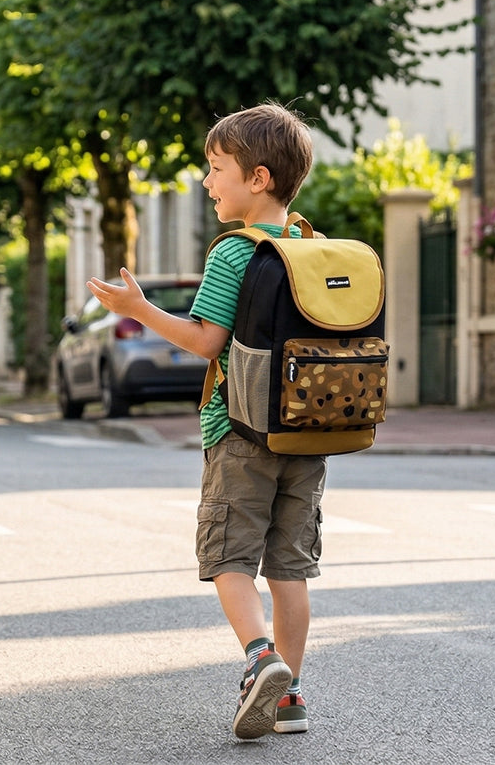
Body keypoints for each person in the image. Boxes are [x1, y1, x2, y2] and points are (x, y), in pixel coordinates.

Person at [86, 103, 321, 739]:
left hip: (241, 431)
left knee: (229, 558)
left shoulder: (233, 253)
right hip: (308, 432)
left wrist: (139, 308)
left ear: (259, 178)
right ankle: (290, 698)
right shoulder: (310, 245)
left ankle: (260, 658)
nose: (208, 182)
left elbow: (205, 341)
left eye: (217, 169)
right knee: (290, 568)